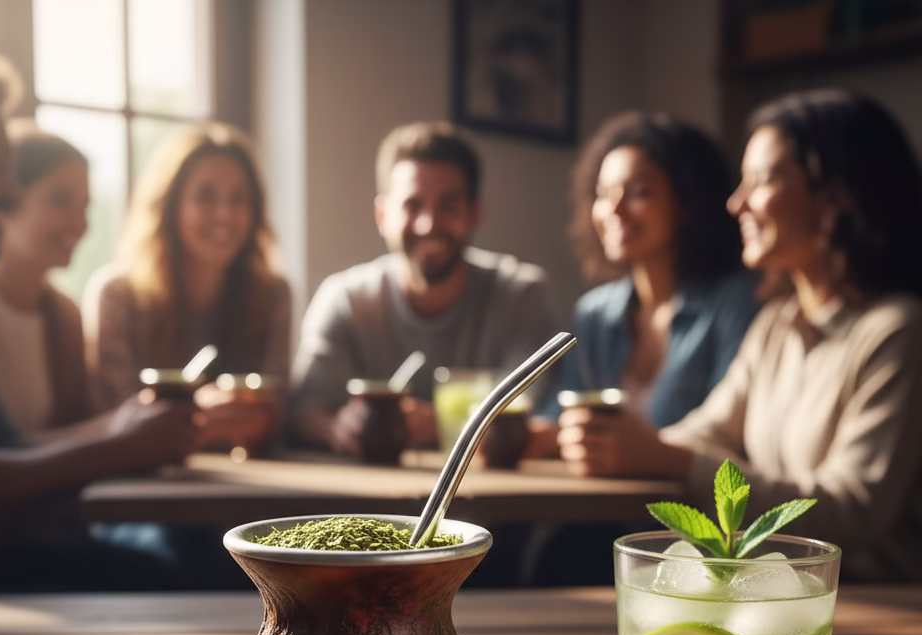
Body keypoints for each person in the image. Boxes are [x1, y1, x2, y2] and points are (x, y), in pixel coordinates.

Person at [558, 89, 922, 582]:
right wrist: (635, 447)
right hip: (784, 595)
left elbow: (853, 512)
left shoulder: (896, 331)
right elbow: (712, 429)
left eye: (764, 180)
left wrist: (670, 458)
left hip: (878, 608)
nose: (737, 203)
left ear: (839, 194)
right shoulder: (778, 321)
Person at [0, 50, 202, 591]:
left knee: (187, 563)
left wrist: (125, 431)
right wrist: (117, 446)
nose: (7, 192)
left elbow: (3, 446)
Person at [288, 120, 558, 457]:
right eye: (412, 205)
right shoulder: (345, 300)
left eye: (448, 206)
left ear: (475, 214)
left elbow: (547, 418)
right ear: (382, 215)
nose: (429, 224)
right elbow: (303, 410)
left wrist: (445, 425)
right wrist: (336, 429)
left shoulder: (521, 296)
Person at [533, 112, 758, 453]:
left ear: (688, 201)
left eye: (639, 192)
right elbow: (559, 417)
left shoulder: (735, 304)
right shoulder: (594, 312)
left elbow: (729, 438)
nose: (615, 209)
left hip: (692, 504)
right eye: (604, 193)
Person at [85, 122, 291, 456]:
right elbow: (113, 419)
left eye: (239, 199)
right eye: (206, 196)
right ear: (169, 205)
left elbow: (277, 415)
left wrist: (258, 421)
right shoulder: (117, 295)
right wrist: (201, 417)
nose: (225, 214)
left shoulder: (273, 295)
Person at [0, 120, 93, 440]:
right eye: (61, 200)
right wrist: (114, 433)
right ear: (4, 201)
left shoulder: (64, 313)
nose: (80, 224)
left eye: (85, 206)